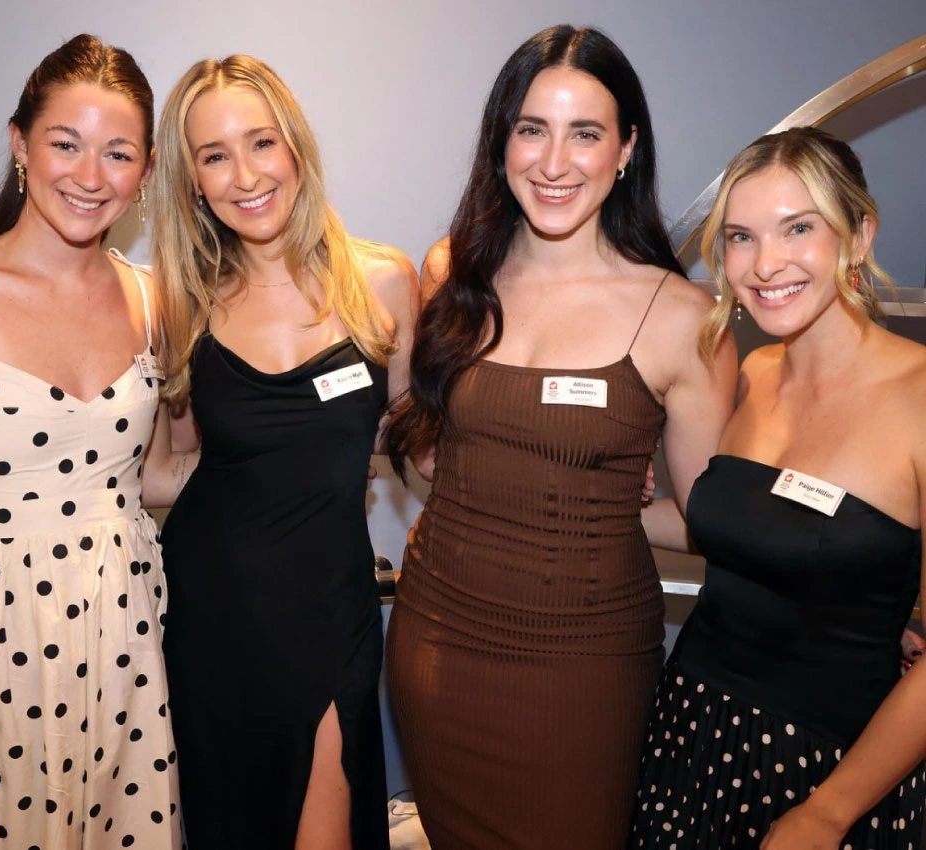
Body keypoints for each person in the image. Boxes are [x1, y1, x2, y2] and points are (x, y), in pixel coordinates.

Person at [384, 24, 736, 849]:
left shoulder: (682, 319)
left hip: (583, 672)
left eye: (585, 133)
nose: (553, 161)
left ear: (626, 150)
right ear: (501, 140)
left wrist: (597, 506)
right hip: (435, 645)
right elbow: (443, 458)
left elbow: (710, 520)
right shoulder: (455, 271)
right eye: (531, 129)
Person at [147, 55, 419, 850]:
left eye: (261, 142)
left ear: (295, 146)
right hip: (213, 615)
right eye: (214, 155)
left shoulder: (384, 283)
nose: (245, 175)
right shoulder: (179, 301)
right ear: (193, 180)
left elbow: (410, 442)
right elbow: (165, 470)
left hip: (331, 613)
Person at [629, 126, 926, 850]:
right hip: (692, 734)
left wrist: (826, 814)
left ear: (859, 236)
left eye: (799, 229)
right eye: (740, 237)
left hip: (833, 773)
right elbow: (729, 531)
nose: (765, 264)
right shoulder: (756, 375)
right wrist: (580, 503)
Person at [0, 34, 181, 850]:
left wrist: (305, 457)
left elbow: (161, 474)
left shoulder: (156, 302)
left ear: (144, 173)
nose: (88, 175)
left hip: (122, 643)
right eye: (64, 144)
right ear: (19, 146)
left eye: (118, 154)